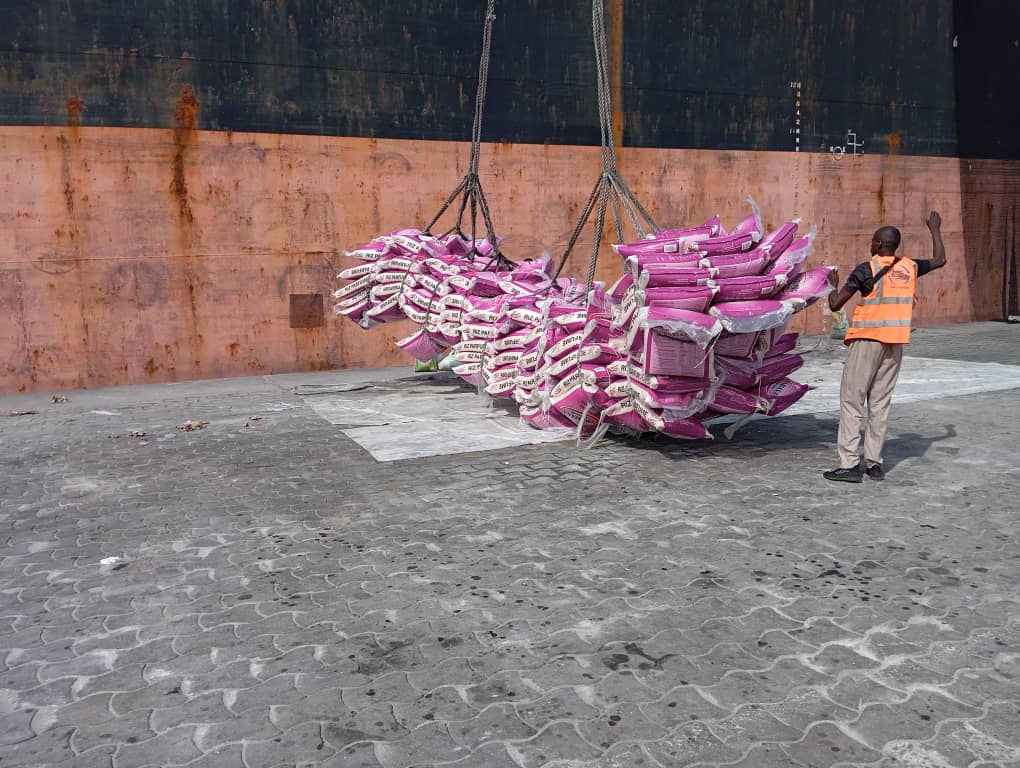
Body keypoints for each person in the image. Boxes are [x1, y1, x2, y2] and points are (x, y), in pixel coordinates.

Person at [822, 212, 947, 482]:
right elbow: (940, 260)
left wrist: (831, 286)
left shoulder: (865, 269)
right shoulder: (910, 267)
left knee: (852, 402)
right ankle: (874, 463)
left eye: (872, 241)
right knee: (879, 403)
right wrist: (935, 229)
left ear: (879, 243)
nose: (870, 244)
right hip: (895, 344)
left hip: (867, 341)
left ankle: (849, 465)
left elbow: (835, 304)